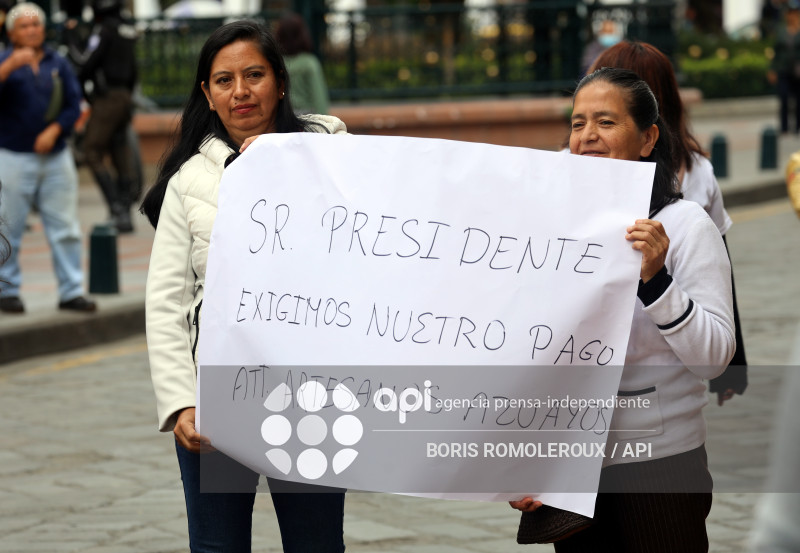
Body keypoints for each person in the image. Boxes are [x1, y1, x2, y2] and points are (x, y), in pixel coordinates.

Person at [140, 20, 348, 553]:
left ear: (280, 82)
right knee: (217, 547)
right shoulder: (189, 181)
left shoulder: (334, 151)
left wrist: (284, 163)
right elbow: (167, 302)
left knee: (316, 545)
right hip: (218, 400)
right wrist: (180, 403)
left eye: (254, 75)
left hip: (311, 397)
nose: (241, 92)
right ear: (207, 95)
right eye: (224, 80)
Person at [511, 68, 735, 552]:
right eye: (577, 123)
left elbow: (714, 358)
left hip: (659, 462)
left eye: (606, 122)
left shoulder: (685, 225)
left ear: (647, 137)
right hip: (568, 461)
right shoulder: (552, 234)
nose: (588, 136)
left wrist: (656, 281)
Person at [588, 40, 748, 406]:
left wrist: (732, 364)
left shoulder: (696, 175)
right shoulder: (571, 164)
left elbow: (717, 272)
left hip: (665, 388)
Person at [0, 3, 97, 314]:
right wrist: (10, 66)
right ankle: (7, 289)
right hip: (13, 156)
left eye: (36, 25)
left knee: (65, 227)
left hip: (55, 158)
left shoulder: (58, 61)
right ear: (12, 32)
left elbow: (74, 104)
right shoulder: (4, 61)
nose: (31, 31)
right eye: (24, 26)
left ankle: (71, 290)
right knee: (8, 227)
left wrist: (55, 130)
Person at [70, 0, 139, 233]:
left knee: (91, 151)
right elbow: (134, 70)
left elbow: (85, 62)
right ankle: (125, 215)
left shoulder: (104, 29)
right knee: (119, 151)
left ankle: (116, 209)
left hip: (108, 98)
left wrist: (71, 40)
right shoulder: (127, 27)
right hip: (124, 97)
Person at [275, 12, 329, 115]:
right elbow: (319, 96)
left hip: (282, 116)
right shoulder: (309, 63)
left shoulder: (276, 62)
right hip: (307, 117)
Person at [768, 2, 800, 135]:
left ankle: (797, 126)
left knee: (799, 100)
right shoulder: (781, 30)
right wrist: (772, 69)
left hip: (798, 72)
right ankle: (784, 127)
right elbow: (776, 52)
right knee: (784, 98)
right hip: (783, 69)